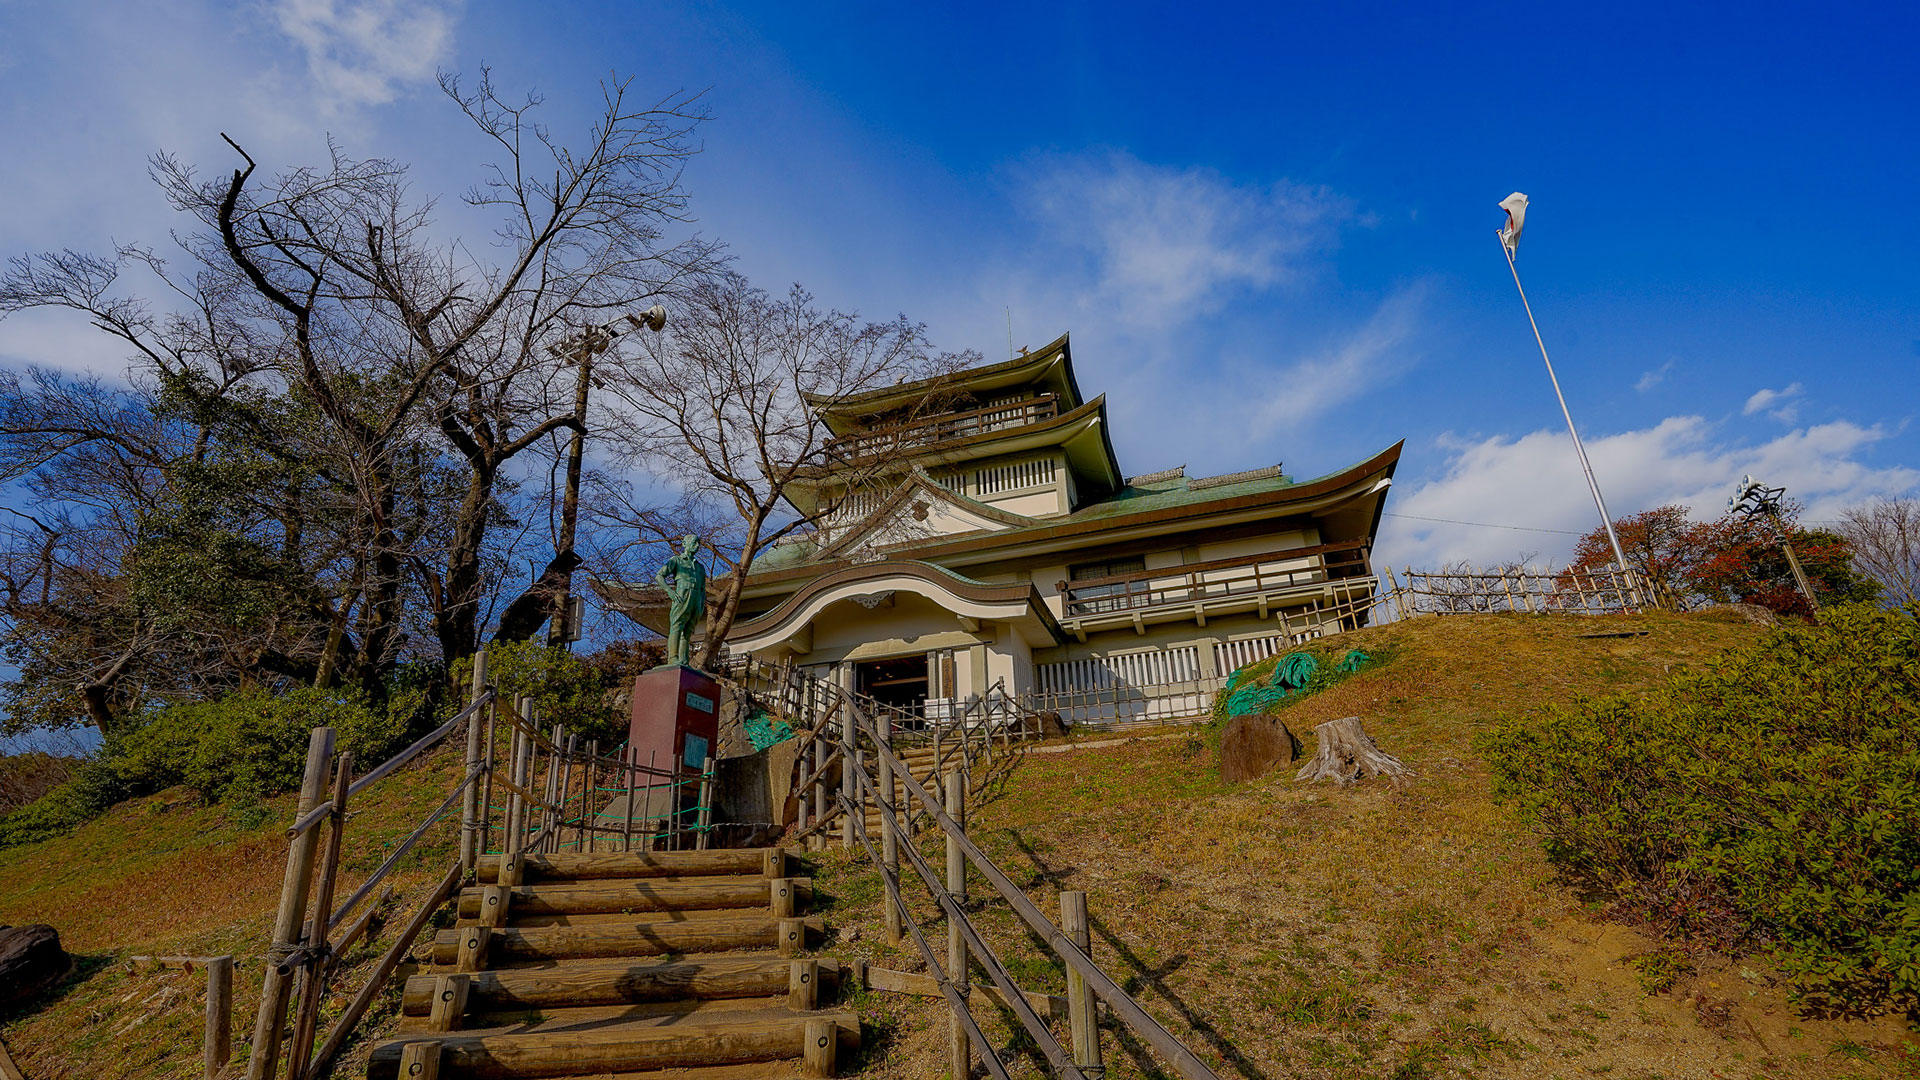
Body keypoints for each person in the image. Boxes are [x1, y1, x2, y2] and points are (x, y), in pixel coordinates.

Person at [655, 534, 708, 668]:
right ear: (684, 544)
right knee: (677, 626)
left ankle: (684, 660)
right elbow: (659, 576)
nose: (696, 546)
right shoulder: (676, 560)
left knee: (688, 629)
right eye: (694, 543)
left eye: (698, 544)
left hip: (696, 598)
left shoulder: (700, 567)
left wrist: (701, 604)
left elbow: (703, 588)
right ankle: (673, 657)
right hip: (682, 595)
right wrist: (669, 591)